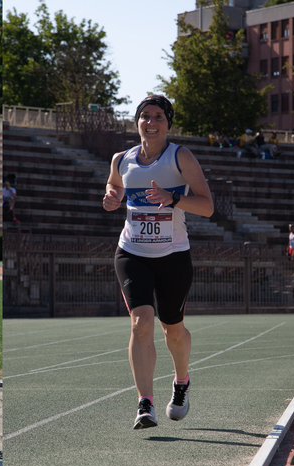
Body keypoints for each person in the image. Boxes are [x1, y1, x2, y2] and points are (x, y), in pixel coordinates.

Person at [102, 94, 213, 429]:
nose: (151, 123)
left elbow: (207, 206)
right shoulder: (122, 159)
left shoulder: (181, 157)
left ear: (168, 124)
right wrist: (112, 196)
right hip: (132, 252)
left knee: (173, 329)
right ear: (137, 121)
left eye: (158, 118)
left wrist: (174, 199)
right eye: (145, 116)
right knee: (141, 322)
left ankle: (181, 382)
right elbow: (114, 185)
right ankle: (144, 404)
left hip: (173, 256)